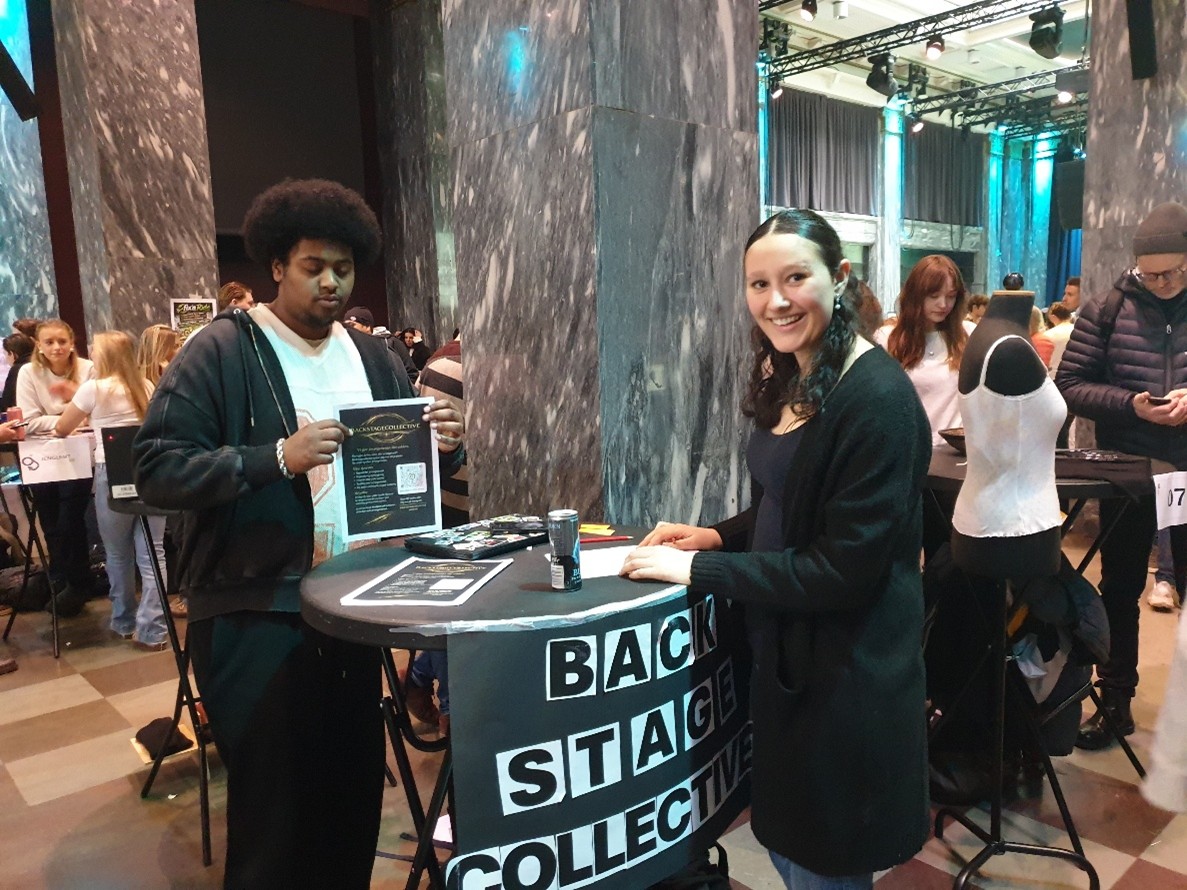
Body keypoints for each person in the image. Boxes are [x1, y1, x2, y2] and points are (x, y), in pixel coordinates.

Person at [133, 178, 465, 888]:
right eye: (314, 266)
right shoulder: (223, 350)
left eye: (343, 268)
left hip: (352, 608)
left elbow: (399, 469)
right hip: (256, 612)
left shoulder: (372, 356)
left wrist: (443, 445)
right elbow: (156, 469)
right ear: (277, 265)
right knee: (276, 815)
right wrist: (274, 459)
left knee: (350, 800)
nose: (331, 282)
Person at [621, 209, 930, 889]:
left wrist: (700, 567)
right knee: (791, 852)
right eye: (758, 284)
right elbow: (783, 500)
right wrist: (717, 535)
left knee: (823, 865)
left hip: (846, 682)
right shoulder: (795, 370)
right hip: (789, 665)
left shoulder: (877, 399)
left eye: (795, 278)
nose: (775, 300)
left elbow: (840, 571)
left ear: (839, 278)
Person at [1056, 201, 1187, 750]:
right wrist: (1131, 405)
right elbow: (1068, 385)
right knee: (1121, 588)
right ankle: (1114, 703)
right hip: (1130, 471)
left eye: (1170, 274)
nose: (1158, 283)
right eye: (1148, 274)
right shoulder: (1107, 308)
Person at [54, 331, 166, 650]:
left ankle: (124, 621)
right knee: (153, 552)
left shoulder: (93, 388)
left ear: (104, 356)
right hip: (149, 471)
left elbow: (62, 427)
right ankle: (154, 630)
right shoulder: (146, 386)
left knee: (117, 552)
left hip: (111, 473)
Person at [16, 319, 95, 617]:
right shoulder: (28, 372)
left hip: (79, 454)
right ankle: (59, 579)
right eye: (49, 342)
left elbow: (93, 414)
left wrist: (64, 419)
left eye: (62, 341)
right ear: (38, 345)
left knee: (70, 519)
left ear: (72, 342)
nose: (56, 347)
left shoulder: (88, 369)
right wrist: (68, 418)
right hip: (41, 456)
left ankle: (79, 581)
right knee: (49, 520)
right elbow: (27, 420)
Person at [874, 255, 974, 447]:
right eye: (934, 296)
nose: (943, 304)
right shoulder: (887, 338)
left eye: (951, 296)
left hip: (955, 451)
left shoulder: (968, 335)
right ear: (915, 295)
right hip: (906, 449)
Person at [344, 306, 419, 381]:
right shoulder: (347, 349)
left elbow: (412, 374)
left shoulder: (390, 343)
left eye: (352, 325)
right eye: (345, 326)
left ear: (367, 326)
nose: (347, 329)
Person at [0, 332, 34, 412]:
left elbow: (7, 403)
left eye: (6, 354)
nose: (6, 358)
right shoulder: (40, 364)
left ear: (12, 354)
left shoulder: (17, 369)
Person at [1045, 301, 1074, 375]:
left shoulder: (1047, 335)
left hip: (1054, 375)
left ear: (1052, 317)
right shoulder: (1078, 332)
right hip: (1074, 374)